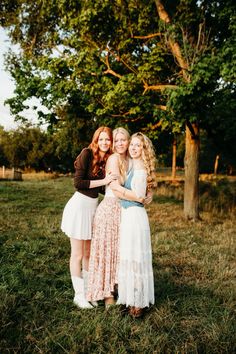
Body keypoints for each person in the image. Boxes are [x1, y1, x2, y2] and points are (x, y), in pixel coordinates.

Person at [86, 127, 144, 308]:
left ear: (128, 141)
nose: (119, 144)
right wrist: (137, 197)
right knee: (106, 252)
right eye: (116, 140)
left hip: (124, 211)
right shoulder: (113, 159)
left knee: (119, 252)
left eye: (123, 140)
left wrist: (147, 194)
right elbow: (117, 189)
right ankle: (106, 294)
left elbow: (143, 180)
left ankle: (118, 287)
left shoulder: (132, 160)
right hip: (109, 209)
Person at [61, 126, 117, 309]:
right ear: (96, 140)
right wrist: (104, 181)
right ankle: (78, 296)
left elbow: (101, 189)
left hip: (93, 209)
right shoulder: (87, 153)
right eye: (101, 139)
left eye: (107, 139)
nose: (104, 142)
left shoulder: (106, 160)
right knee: (77, 254)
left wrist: (116, 183)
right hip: (79, 208)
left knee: (87, 254)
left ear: (111, 142)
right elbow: (79, 183)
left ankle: (88, 292)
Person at [112, 132, 156, 318]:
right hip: (129, 215)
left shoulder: (140, 169)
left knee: (136, 259)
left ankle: (138, 303)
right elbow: (143, 193)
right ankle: (129, 298)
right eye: (133, 145)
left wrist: (118, 189)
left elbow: (138, 195)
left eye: (139, 145)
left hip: (135, 217)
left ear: (144, 149)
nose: (134, 148)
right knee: (128, 257)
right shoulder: (132, 165)